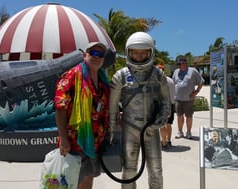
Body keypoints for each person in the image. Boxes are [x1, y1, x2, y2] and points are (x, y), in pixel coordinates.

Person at [109, 32, 171, 189]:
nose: (139, 56)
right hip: (130, 128)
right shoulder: (121, 76)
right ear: (129, 52)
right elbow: (112, 106)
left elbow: (166, 101)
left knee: (156, 170)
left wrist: (162, 119)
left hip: (151, 128)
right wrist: (111, 129)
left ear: (150, 52)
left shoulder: (158, 74)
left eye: (143, 52)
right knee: (129, 171)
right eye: (135, 52)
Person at [54, 42, 110, 189]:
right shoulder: (71, 76)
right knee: (70, 182)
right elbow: (60, 108)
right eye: (93, 53)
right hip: (74, 142)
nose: (96, 57)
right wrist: (63, 138)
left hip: (94, 142)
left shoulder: (103, 80)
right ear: (84, 55)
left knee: (88, 179)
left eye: (100, 55)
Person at [172, 57, 204, 139]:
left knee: (189, 116)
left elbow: (201, 81)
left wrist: (196, 92)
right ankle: (180, 131)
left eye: (180, 64)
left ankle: (189, 132)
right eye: (178, 64)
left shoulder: (192, 71)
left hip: (189, 99)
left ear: (185, 63)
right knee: (179, 116)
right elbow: (173, 83)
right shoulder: (176, 71)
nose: (179, 66)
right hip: (178, 99)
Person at [157, 64, 175, 149]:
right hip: (171, 103)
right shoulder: (170, 80)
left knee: (162, 125)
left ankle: (163, 143)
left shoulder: (158, 81)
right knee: (168, 124)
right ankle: (168, 140)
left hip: (162, 104)